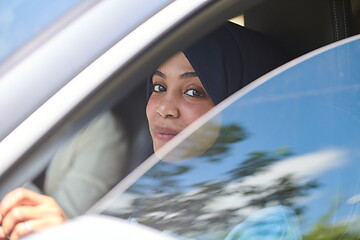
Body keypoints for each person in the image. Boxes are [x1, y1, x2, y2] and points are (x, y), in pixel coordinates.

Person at [0, 21, 287, 240]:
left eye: (193, 91)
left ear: (240, 102)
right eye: (159, 87)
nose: (164, 108)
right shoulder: (157, 199)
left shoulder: (266, 221)